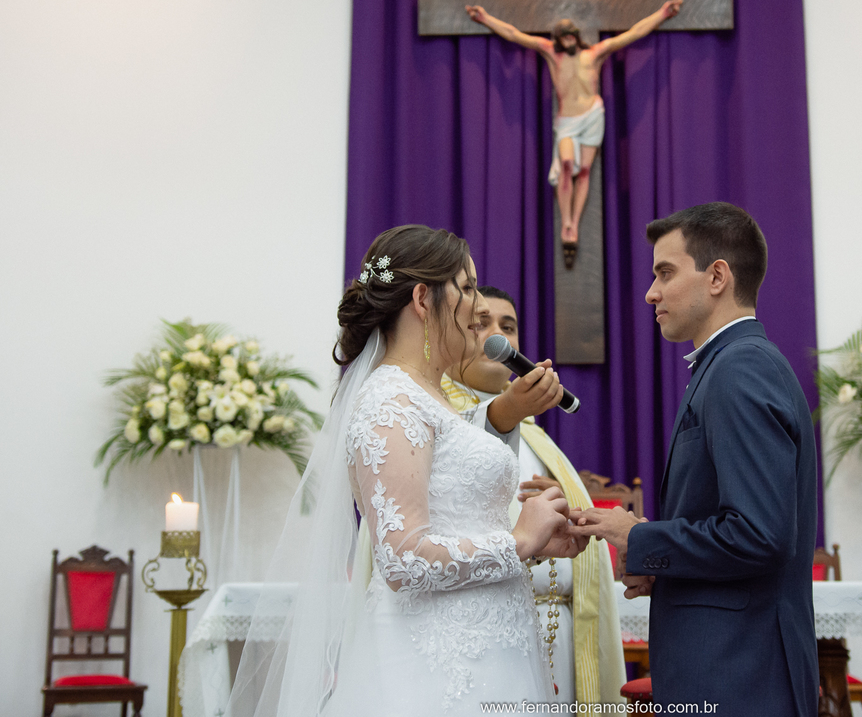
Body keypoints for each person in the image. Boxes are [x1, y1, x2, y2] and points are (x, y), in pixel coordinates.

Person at [226, 225, 583, 717]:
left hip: (493, 646)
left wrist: (535, 536)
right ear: (422, 298)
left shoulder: (425, 394)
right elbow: (402, 559)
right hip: (433, 666)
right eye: (467, 286)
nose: (479, 307)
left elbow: (454, 512)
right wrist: (517, 540)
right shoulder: (389, 401)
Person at [571, 203, 820, 714]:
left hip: (738, 674)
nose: (651, 292)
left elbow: (759, 536)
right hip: (730, 667)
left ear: (717, 277)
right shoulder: (728, 365)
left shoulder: (739, 369)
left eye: (665, 272)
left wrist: (635, 536)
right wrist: (662, 564)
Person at [441, 286, 626, 709]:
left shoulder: (537, 438)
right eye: (482, 324)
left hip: (559, 630)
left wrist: (564, 508)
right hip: (479, 631)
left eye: (508, 327)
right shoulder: (435, 422)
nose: (497, 334)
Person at [465, 0, 683, 266]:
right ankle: (566, 220)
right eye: (563, 37)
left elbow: (633, 33)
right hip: (567, 120)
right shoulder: (549, 53)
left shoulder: (594, 54)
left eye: (571, 36)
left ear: (576, 37)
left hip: (592, 115)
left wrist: (661, 13)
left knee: (585, 172)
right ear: (558, 39)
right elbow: (514, 34)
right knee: (566, 164)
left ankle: (574, 224)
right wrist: (485, 18)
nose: (567, 40)